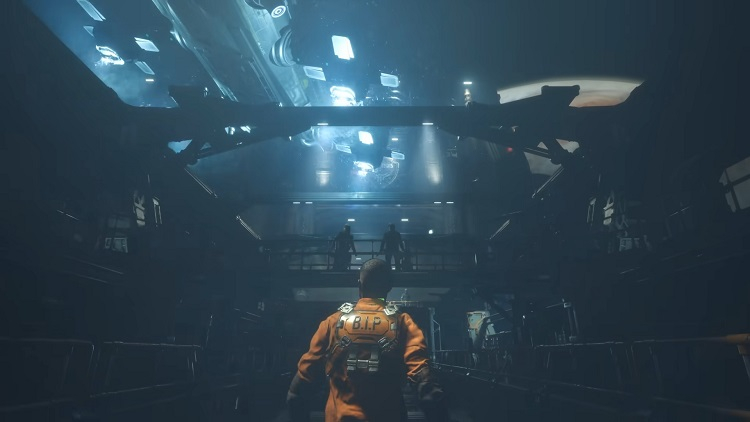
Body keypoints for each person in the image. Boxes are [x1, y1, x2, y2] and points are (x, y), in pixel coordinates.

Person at [287, 259, 448, 422]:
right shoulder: (404, 323)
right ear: (389, 286)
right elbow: (427, 389)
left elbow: (296, 392)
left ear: (359, 284)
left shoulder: (332, 322)